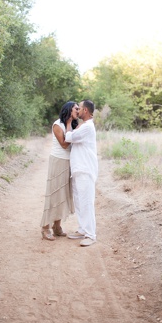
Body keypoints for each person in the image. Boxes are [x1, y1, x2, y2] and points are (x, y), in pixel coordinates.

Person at [40, 101, 79, 241]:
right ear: (69, 110)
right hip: (58, 161)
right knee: (54, 193)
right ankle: (45, 228)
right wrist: (69, 126)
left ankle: (57, 227)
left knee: (63, 195)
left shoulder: (74, 125)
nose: (78, 111)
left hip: (69, 162)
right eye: (76, 108)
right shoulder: (58, 125)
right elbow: (64, 144)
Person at [65, 99, 99, 247]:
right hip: (78, 169)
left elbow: (69, 137)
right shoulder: (83, 126)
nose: (77, 110)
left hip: (85, 169)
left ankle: (91, 235)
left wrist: (67, 123)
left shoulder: (88, 127)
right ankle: (82, 229)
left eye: (79, 108)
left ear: (85, 110)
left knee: (87, 202)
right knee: (79, 202)